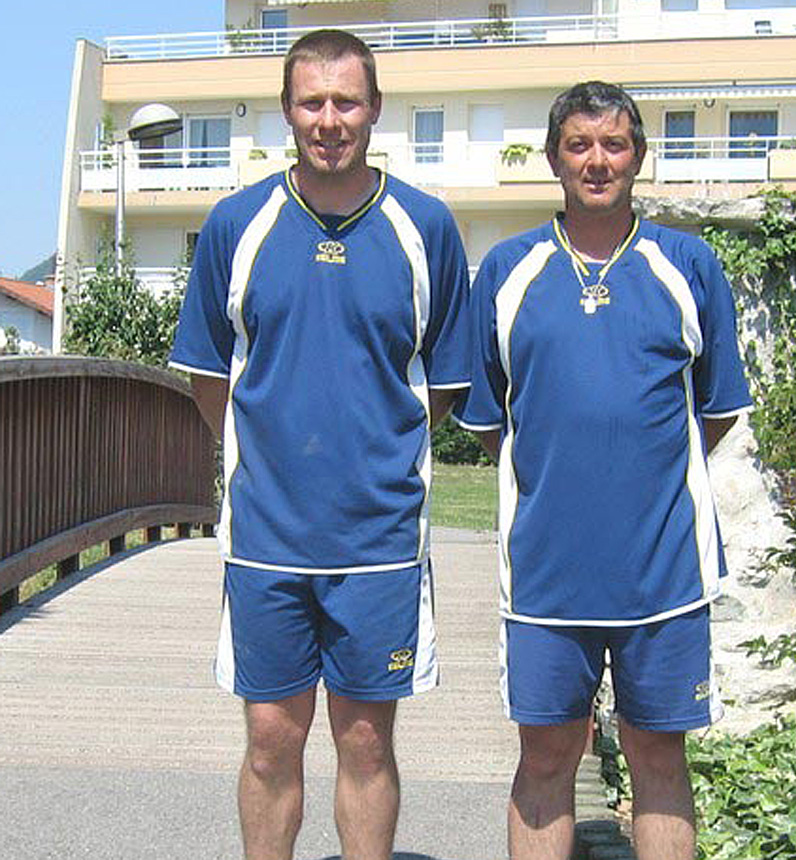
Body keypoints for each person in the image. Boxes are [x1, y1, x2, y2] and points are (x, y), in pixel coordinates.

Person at [169, 29, 470, 860]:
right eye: (312, 102)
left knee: (366, 744)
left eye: (346, 101)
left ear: (375, 109)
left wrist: (375, 454)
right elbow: (208, 378)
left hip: (380, 539)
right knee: (271, 743)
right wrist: (269, 459)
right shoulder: (237, 223)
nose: (329, 120)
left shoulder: (425, 226)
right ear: (286, 110)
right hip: (266, 538)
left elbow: (444, 383)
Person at [456, 81, 752, 860]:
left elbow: (716, 410)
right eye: (580, 145)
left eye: (614, 144)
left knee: (659, 758)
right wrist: (562, 474)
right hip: (546, 574)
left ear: (638, 156)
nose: (597, 161)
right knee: (546, 759)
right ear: (554, 158)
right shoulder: (509, 270)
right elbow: (491, 422)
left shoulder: (688, 265)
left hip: (665, 571)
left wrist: (644, 473)